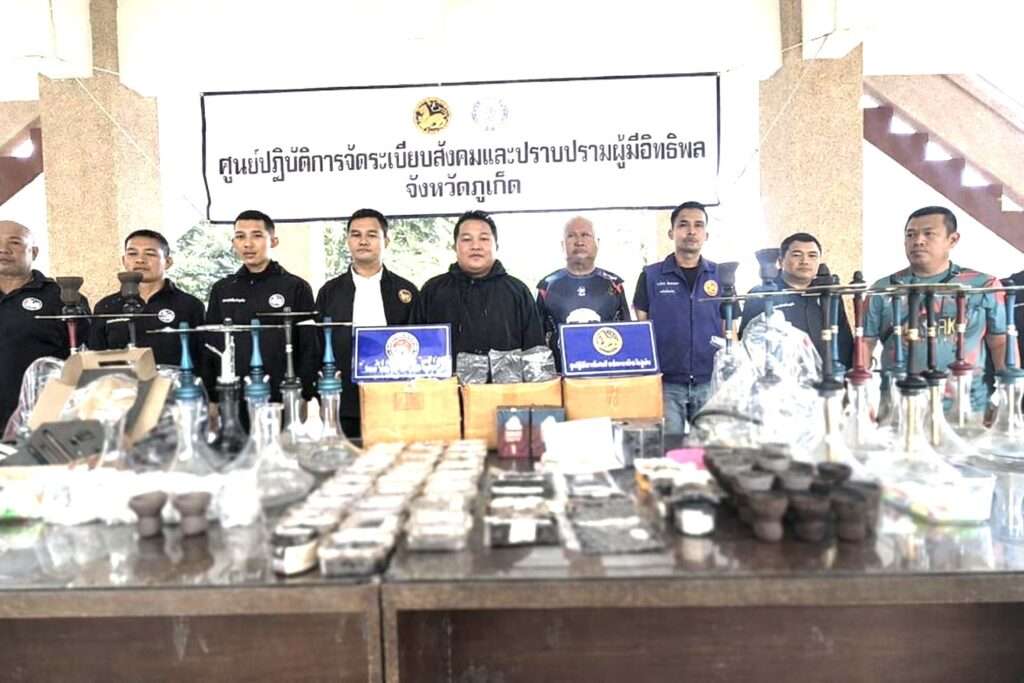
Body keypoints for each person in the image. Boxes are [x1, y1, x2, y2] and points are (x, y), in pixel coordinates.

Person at [864, 206, 1006, 411]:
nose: (918, 241)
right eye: (910, 235)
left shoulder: (983, 286)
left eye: (928, 234)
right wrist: (861, 399)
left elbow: (1000, 343)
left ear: (953, 240)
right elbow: (865, 343)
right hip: (899, 408)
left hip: (968, 408)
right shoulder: (883, 289)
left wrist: (1007, 399)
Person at [203, 210, 320, 413]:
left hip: (284, 393)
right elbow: (211, 344)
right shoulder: (222, 289)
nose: (247, 244)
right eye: (240, 237)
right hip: (233, 394)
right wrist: (212, 396)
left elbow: (309, 345)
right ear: (234, 243)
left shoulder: (296, 287)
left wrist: (304, 392)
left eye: (257, 236)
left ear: (273, 241)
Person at [315, 209, 418, 437]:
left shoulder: (406, 291)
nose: (363, 241)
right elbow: (317, 344)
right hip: (343, 398)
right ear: (347, 241)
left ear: (386, 241)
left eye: (371, 235)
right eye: (356, 235)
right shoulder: (329, 292)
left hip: (395, 397)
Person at [634, 201, 725, 434]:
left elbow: (729, 327)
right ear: (671, 232)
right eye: (683, 225)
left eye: (698, 225)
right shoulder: (651, 276)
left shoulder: (721, 275)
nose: (691, 231)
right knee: (667, 448)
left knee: (710, 448)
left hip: (709, 381)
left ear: (706, 234)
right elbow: (642, 327)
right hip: (665, 383)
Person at [0, 221, 90, 434]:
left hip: (39, 420)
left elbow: (83, 358)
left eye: (15, 242)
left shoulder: (61, 297)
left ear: (34, 252)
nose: (3, 249)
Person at [411, 210, 544, 354]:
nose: (475, 246)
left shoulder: (518, 291)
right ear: (455, 247)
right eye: (467, 239)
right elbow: (414, 345)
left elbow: (535, 350)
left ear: (496, 246)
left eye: (484, 239)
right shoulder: (432, 291)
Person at [88, 229, 205, 365]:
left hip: (174, 378)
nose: (140, 260)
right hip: (120, 379)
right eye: (132, 253)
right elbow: (94, 358)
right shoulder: (106, 306)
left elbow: (204, 359)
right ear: (124, 260)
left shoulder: (190, 305)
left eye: (150, 254)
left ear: (168, 262)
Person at [738, 232, 853, 368]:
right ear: (780, 261)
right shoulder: (761, 294)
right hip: (779, 376)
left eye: (812, 255)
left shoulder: (829, 293)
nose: (805, 261)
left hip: (827, 375)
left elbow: (844, 339)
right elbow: (748, 342)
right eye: (797, 255)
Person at [536, 216, 630, 365]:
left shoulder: (614, 284)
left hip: (606, 371)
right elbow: (537, 343)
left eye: (585, 235)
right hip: (559, 373)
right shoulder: (546, 286)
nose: (579, 241)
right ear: (562, 245)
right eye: (571, 236)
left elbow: (627, 335)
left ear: (597, 243)